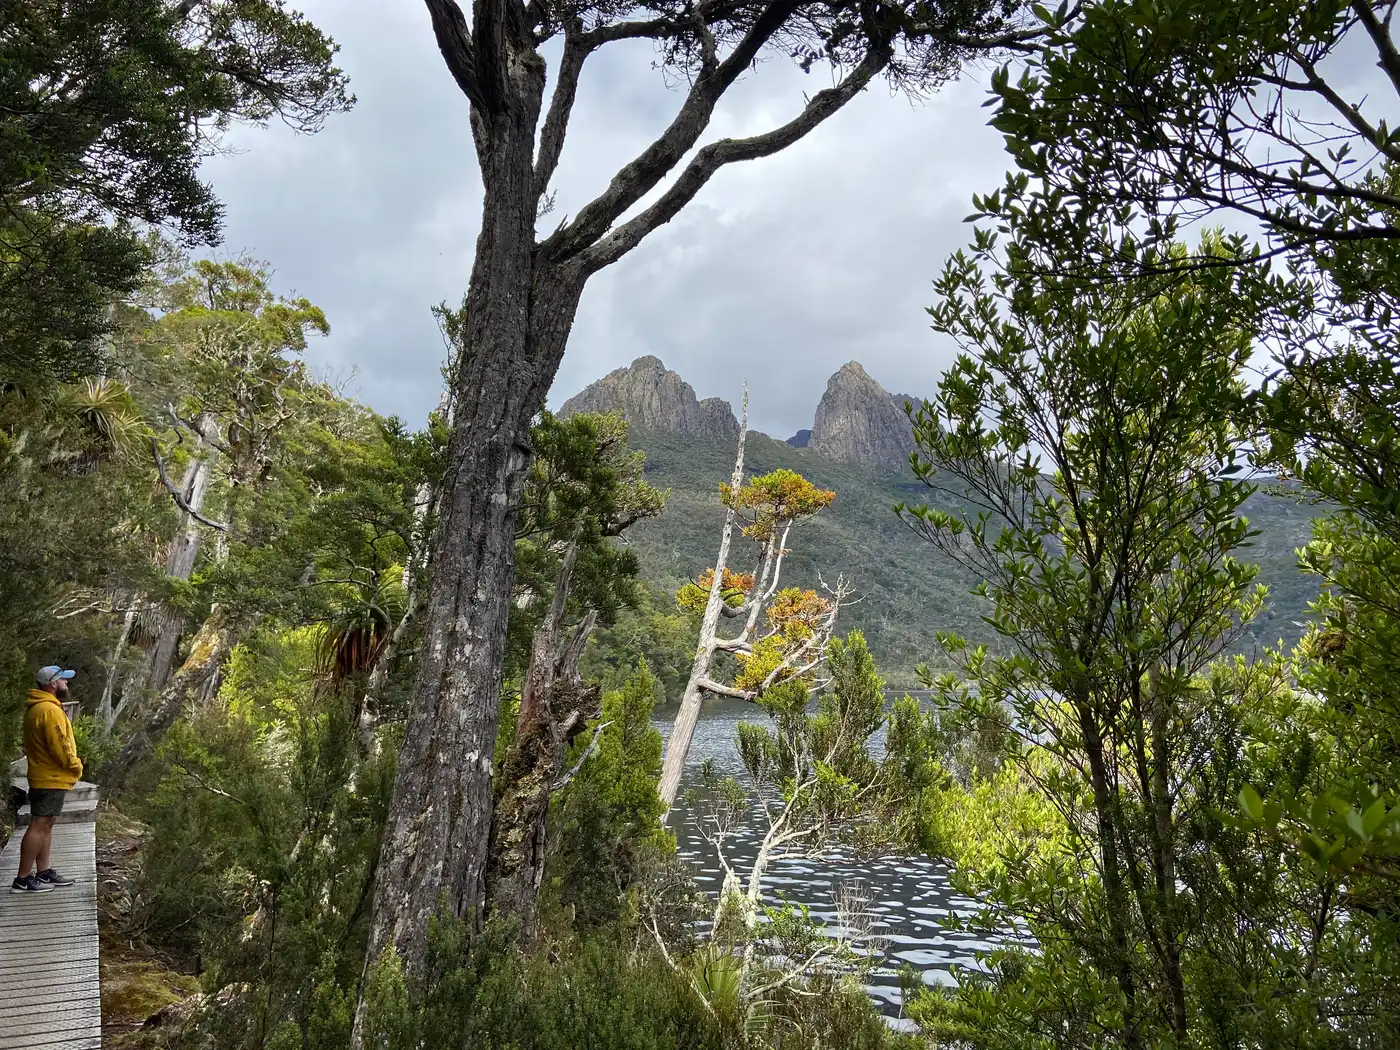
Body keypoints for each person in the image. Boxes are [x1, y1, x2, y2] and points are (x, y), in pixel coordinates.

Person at [11, 665, 83, 894]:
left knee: (46, 824)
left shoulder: (40, 707)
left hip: (48, 776)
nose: (67, 684)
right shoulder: (49, 710)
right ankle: (22, 879)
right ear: (53, 684)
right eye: (64, 680)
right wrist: (75, 765)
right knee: (39, 825)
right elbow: (60, 744)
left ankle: (43, 871)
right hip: (49, 776)